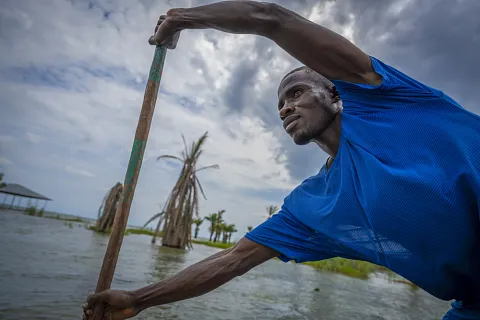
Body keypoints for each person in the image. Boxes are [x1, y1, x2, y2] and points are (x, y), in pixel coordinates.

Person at [82, 1, 480, 319]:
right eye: (279, 104)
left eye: (296, 93)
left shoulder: (387, 98)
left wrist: (180, 19)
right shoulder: (314, 205)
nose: (285, 109)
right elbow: (232, 261)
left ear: (335, 95)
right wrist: (139, 298)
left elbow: (270, 19)